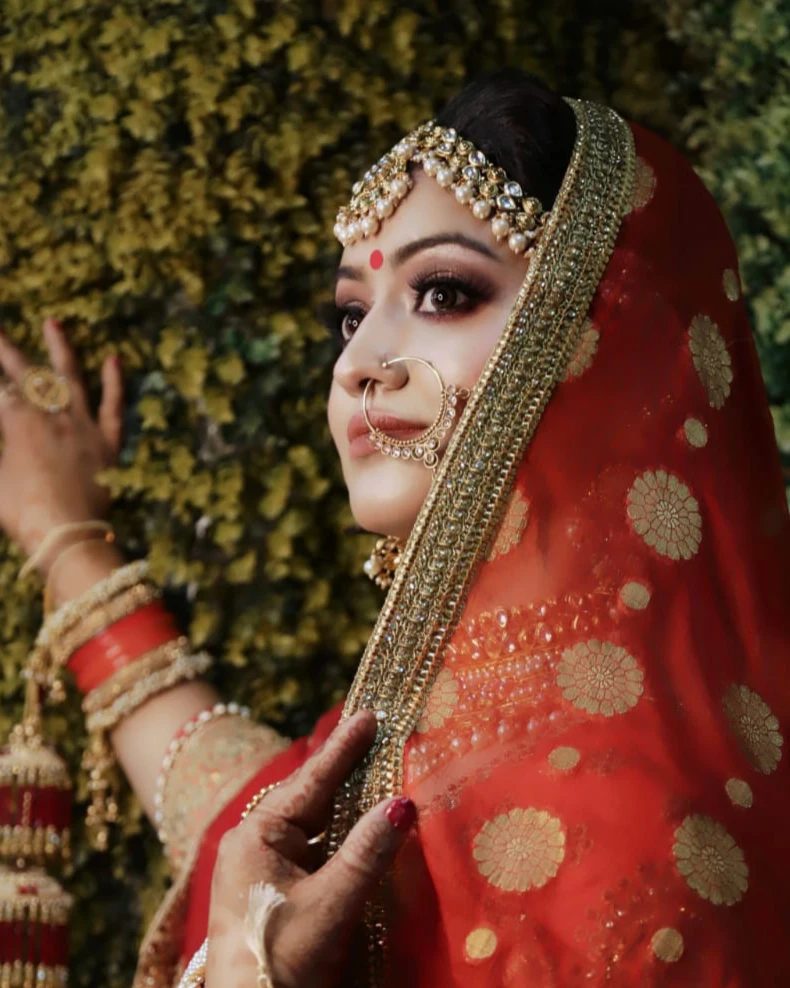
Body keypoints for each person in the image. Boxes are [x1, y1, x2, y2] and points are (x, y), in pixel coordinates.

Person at [0, 68, 788, 988]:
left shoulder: (643, 849)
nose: (358, 364)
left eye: (445, 292)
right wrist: (66, 539)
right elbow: (231, 806)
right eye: (350, 314)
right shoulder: (420, 742)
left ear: (610, 340)